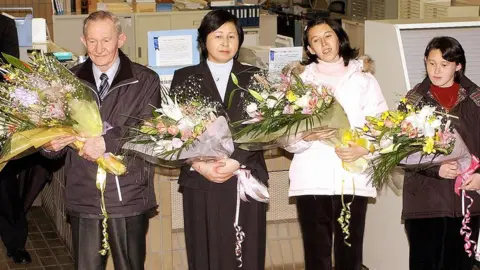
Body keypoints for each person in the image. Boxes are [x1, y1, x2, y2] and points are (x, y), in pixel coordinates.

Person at [42, 11, 160, 270]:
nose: (99, 48)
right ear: (83, 41)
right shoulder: (68, 82)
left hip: (127, 193)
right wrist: (49, 147)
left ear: (121, 39)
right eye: (92, 41)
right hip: (84, 193)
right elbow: (51, 134)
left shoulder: (145, 80)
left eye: (106, 40)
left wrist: (108, 141)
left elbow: (148, 129)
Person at [284, 18, 387, 270]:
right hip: (311, 176)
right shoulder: (299, 82)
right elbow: (284, 134)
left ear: (339, 38)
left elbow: (383, 126)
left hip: (352, 174)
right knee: (316, 253)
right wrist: (303, 137)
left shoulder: (364, 79)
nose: (324, 43)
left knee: (349, 253)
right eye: (315, 40)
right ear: (309, 49)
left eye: (328, 36)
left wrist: (365, 147)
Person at [169, 10, 269, 270]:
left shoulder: (256, 76)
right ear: (204, 41)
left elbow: (266, 128)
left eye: (232, 36)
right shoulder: (184, 77)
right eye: (218, 36)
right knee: (204, 252)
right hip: (201, 179)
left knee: (246, 253)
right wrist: (199, 164)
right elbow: (174, 131)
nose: (225, 43)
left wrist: (236, 162)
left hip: (245, 177)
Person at [403, 36, 480, 270]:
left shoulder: (476, 100)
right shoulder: (413, 100)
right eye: (431, 63)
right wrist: (436, 168)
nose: (436, 70)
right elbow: (397, 151)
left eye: (444, 65)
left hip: (467, 200)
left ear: (458, 66)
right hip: (425, 202)